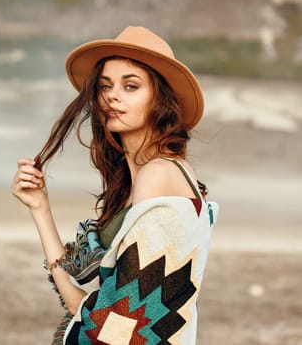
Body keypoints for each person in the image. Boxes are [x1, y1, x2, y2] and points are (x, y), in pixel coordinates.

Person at [12, 26, 218, 345]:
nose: (112, 96)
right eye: (105, 86)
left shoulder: (158, 174)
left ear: (160, 99)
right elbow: (108, 313)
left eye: (131, 86)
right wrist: (40, 208)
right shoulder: (138, 180)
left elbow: (122, 324)